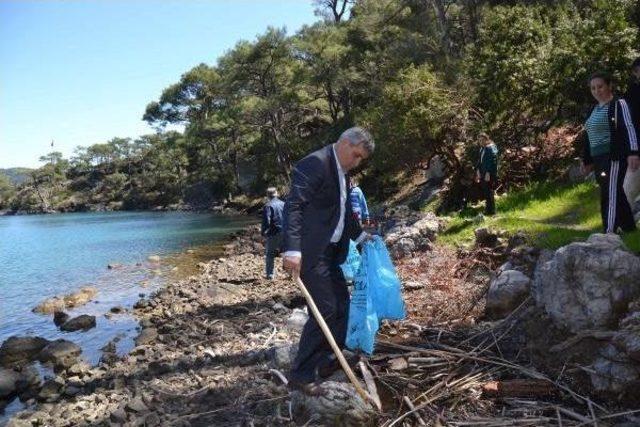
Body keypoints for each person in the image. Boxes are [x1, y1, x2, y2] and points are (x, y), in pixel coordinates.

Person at [282, 126, 374, 390]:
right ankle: (301, 375)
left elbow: (343, 215)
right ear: (345, 143)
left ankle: (325, 360)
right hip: (310, 253)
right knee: (325, 309)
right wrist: (292, 249)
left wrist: (362, 237)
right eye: (356, 155)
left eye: (361, 159)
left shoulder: (342, 173)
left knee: (343, 307)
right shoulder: (316, 163)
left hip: (332, 253)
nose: (357, 163)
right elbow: (294, 206)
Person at [581, 71, 639, 233]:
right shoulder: (593, 109)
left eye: (600, 87)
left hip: (613, 156)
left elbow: (628, 127)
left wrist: (633, 152)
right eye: (593, 88)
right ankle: (629, 228)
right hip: (598, 157)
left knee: (610, 193)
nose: (596, 91)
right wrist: (587, 160)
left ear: (609, 86)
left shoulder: (619, 104)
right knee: (616, 192)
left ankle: (609, 231)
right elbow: (588, 134)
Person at [623, 58, 640, 213]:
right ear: (635, 73)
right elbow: (629, 125)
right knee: (627, 190)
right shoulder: (632, 93)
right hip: (637, 151)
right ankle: (623, 228)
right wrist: (632, 151)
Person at [260, 187, 285, 280]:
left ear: (267, 195)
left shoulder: (268, 206)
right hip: (286, 232)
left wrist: (263, 232)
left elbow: (267, 220)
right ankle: (291, 273)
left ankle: (270, 275)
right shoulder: (284, 204)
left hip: (274, 232)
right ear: (276, 193)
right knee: (286, 253)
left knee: (270, 254)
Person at [475, 132, 498, 215]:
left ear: (486, 139)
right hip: (482, 173)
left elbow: (493, 161)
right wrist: (477, 170)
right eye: (479, 140)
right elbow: (479, 161)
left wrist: (488, 172)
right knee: (485, 191)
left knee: (489, 191)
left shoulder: (491, 147)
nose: (480, 142)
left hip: (489, 173)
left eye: (482, 140)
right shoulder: (482, 149)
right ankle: (488, 209)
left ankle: (492, 211)